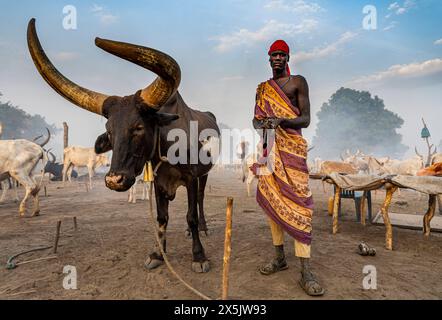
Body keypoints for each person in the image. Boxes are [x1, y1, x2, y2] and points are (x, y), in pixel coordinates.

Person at [250, 39, 324, 296]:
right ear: (269, 58)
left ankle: (306, 271)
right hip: (270, 151)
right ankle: (279, 257)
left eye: (282, 55)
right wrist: (263, 126)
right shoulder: (262, 89)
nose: (278, 58)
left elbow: (306, 118)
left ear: (288, 58)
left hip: (292, 151)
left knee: (300, 205)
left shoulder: (298, 82)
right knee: (274, 204)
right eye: (274, 55)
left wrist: (281, 120)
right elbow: (255, 119)